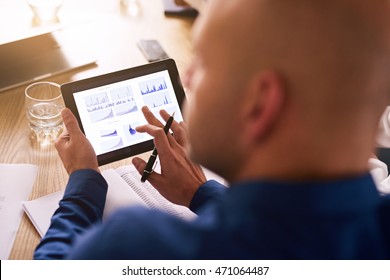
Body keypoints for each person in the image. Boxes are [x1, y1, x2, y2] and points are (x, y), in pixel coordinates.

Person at [34, 0, 390, 259]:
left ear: (260, 104)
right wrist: (201, 195)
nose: (187, 78)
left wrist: (83, 180)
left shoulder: (138, 247)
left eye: (202, 63)